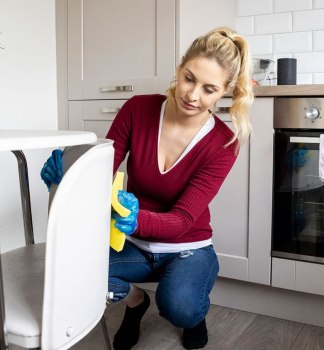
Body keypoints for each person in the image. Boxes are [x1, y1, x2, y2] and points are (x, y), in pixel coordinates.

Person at [40, 27, 253, 350]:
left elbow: (182, 220)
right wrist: (67, 177)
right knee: (68, 270)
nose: (193, 95)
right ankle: (136, 301)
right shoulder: (138, 110)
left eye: (209, 89)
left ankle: (193, 314)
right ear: (180, 67)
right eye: (189, 78)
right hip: (132, 244)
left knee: (180, 305)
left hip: (188, 247)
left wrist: (138, 218)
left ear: (225, 91)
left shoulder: (223, 144)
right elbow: (102, 172)